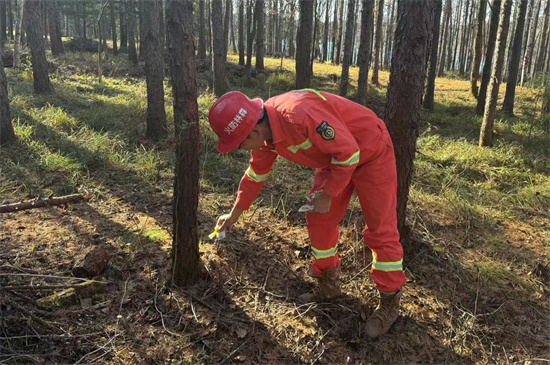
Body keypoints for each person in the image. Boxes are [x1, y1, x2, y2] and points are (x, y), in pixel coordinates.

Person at [208, 89, 407, 339]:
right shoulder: (264, 131)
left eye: (240, 144)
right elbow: (256, 175)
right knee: (318, 219)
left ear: (254, 132)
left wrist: (328, 195)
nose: (242, 149)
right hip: (334, 161)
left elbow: (350, 152)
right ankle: (329, 283)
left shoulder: (299, 116)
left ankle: (390, 301)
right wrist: (233, 215)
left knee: (381, 230)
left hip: (370, 152)